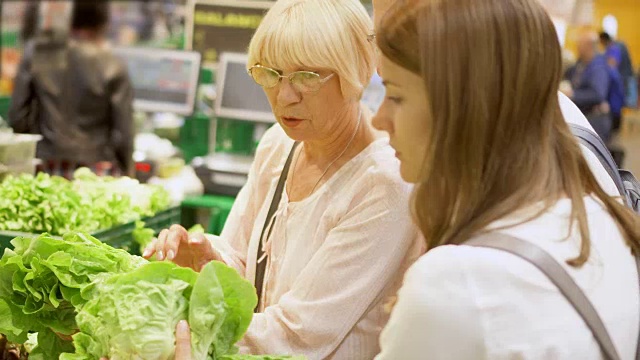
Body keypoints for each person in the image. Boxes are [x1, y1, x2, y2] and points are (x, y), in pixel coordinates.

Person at [145, 0, 422, 359]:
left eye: (306, 77)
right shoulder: (281, 143)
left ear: (357, 70)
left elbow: (298, 335)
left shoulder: (384, 184)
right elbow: (243, 257)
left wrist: (162, 327)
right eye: (269, 74)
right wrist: (207, 260)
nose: (284, 96)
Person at [371, 0, 640, 359]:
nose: (378, 119)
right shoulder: (600, 215)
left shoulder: (457, 285)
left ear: (461, 107)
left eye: (395, 96)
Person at [8, 1, 134, 178]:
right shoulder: (114, 64)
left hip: (46, 167)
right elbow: (123, 135)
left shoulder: (36, 53)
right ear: (102, 19)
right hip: (97, 171)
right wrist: (127, 172)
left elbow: (18, 116)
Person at [564, 32, 620, 143]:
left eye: (580, 44)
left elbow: (598, 94)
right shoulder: (581, 63)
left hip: (595, 120)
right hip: (584, 116)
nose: (577, 47)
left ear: (589, 46)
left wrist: (573, 94)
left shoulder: (598, 67)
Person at [600, 31, 638, 116]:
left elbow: (612, 63)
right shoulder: (616, 45)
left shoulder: (615, 47)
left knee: (628, 106)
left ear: (603, 40)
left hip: (625, 80)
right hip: (625, 78)